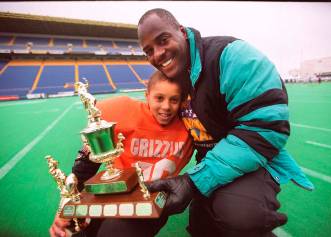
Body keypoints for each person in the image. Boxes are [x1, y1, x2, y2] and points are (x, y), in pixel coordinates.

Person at [137, 8, 315, 237]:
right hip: (211, 163)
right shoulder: (174, 76)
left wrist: (194, 182)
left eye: (163, 40)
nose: (158, 54)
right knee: (202, 229)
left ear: (181, 31)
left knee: (240, 216)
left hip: (254, 161)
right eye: (148, 51)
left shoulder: (232, 56)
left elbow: (266, 128)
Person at [49, 70, 193, 237]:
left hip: (151, 201)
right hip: (113, 192)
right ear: (147, 96)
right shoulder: (124, 110)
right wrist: (67, 205)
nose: (166, 106)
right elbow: (87, 161)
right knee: (74, 231)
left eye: (174, 100)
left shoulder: (190, 126)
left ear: (183, 101)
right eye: (159, 98)